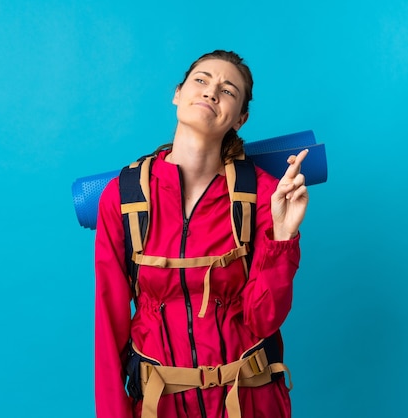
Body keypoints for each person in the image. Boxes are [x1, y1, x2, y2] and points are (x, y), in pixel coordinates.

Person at [94, 50, 309, 417]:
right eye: (201, 80)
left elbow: (263, 320)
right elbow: (109, 322)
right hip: (159, 406)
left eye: (228, 90)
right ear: (177, 93)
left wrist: (283, 236)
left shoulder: (265, 194)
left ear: (240, 119)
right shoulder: (123, 196)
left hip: (249, 402)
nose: (211, 92)